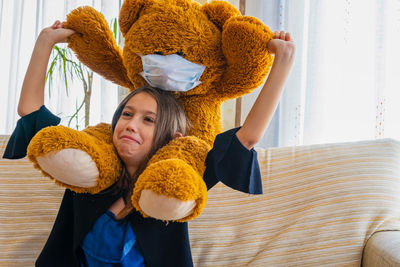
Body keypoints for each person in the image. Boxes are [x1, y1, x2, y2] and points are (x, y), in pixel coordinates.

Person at [3, 20, 295, 267]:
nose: (131, 124)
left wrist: (282, 62)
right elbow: (30, 112)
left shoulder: (175, 183)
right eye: (127, 114)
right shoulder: (87, 169)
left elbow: (247, 137)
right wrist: (45, 42)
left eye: (148, 120)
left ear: (171, 139)